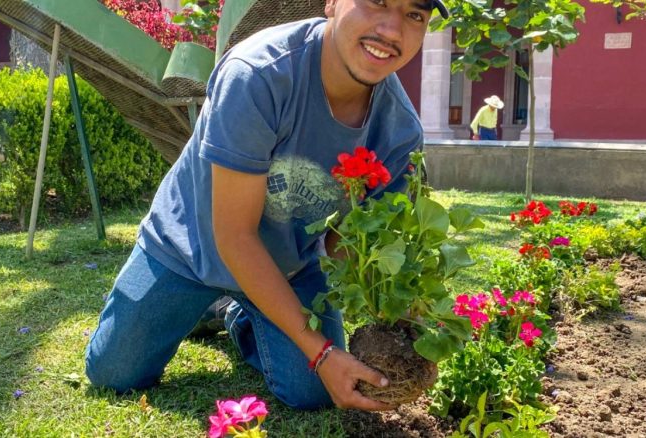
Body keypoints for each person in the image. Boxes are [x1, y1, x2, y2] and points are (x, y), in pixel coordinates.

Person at [84, 0, 449, 412]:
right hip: (190, 246)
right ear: (331, 3)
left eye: (415, 14)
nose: (392, 29)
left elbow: (348, 245)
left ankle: (236, 314)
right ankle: (207, 300)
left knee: (313, 393)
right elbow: (234, 236)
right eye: (375, 2)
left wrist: (407, 320)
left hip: (291, 265)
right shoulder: (258, 74)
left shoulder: (400, 132)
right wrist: (322, 352)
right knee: (114, 375)